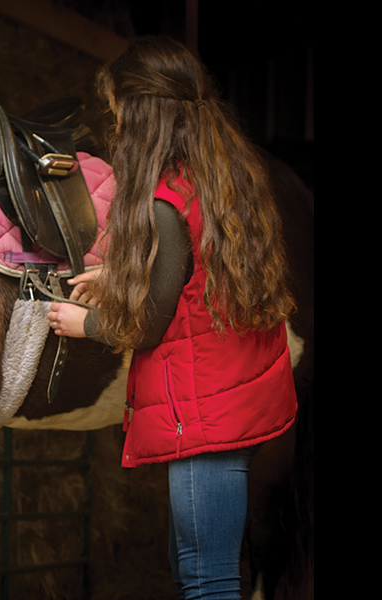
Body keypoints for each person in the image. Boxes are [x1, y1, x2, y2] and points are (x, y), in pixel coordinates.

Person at [47, 36, 298, 599]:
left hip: (205, 417)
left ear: (144, 117)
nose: (116, 132)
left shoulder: (166, 203)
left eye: (118, 117)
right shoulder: (225, 177)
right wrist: (115, 281)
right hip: (235, 398)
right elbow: (195, 276)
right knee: (196, 565)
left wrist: (82, 322)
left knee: (205, 580)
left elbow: (148, 326)